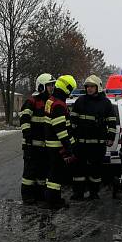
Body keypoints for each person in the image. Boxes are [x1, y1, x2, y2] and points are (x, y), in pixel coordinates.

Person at [69, 75, 116, 200]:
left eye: (92, 86)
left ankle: (94, 193)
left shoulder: (106, 103)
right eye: (87, 86)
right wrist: (72, 136)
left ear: (98, 87)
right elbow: (72, 120)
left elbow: (112, 122)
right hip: (81, 143)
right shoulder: (80, 101)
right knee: (79, 170)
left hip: (98, 144)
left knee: (96, 170)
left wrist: (110, 137)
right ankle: (78, 193)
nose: (89, 89)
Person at [41, 75, 78, 209]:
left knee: (52, 174)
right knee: (56, 175)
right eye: (71, 90)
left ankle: (53, 199)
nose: (71, 93)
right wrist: (68, 147)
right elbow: (61, 130)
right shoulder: (59, 105)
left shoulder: (51, 100)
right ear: (67, 88)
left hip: (51, 144)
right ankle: (53, 202)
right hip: (57, 146)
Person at [19, 73, 56, 203]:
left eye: (53, 85)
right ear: (41, 87)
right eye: (49, 85)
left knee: (42, 173)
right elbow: (24, 119)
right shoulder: (32, 102)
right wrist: (28, 135)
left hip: (44, 146)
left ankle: (40, 196)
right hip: (32, 145)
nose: (52, 87)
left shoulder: (50, 102)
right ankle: (27, 197)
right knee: (29, 173)